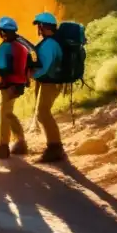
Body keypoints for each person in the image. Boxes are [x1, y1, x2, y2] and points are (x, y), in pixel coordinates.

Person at [0, 16, 31, 159]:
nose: (1, 34)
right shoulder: (20, 45)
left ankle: (3, 147)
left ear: (4, 32)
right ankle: (21, 142)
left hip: (10, 84)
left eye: (1, 31)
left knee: (4, 114)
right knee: (9, 113)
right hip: (17, 84)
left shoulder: (10, 46)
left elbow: (4, 66)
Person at [31, 11, 66, 164]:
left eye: (39, 26)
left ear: (44, 26)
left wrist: (32, 74)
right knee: (43, 113)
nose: (38, 29)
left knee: (43, 113)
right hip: (51, 81)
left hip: (50, 82)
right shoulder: (52, 42)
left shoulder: (49, 44)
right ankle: (54, 147)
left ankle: (55, 148)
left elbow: (44, 68)